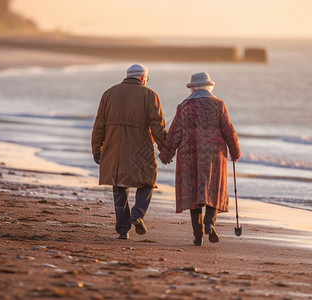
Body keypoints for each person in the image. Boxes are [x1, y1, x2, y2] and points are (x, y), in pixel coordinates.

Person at [159, 72, 241, 246]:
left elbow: (174, 132)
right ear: (209, 86)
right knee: (213, 188)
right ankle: (209, 223)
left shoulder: (183, 106)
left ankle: (198, 236)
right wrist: (235, 152)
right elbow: (228, 130)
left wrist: (166, 155)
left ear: (192, 87)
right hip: (214, 153)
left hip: (189, 153)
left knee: (193, 192)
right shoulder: (218, 105)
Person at [91, 64, 167, 240]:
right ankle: (138, 214)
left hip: (113, 147)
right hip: (140, 148)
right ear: (142, 78)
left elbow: (99, 125)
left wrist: (96, 148)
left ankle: (123, 230)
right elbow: (157, 126)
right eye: (146, 79)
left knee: (119, 186)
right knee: (147, 181)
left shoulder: (109, 93)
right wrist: (165, 148)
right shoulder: (149, 95)